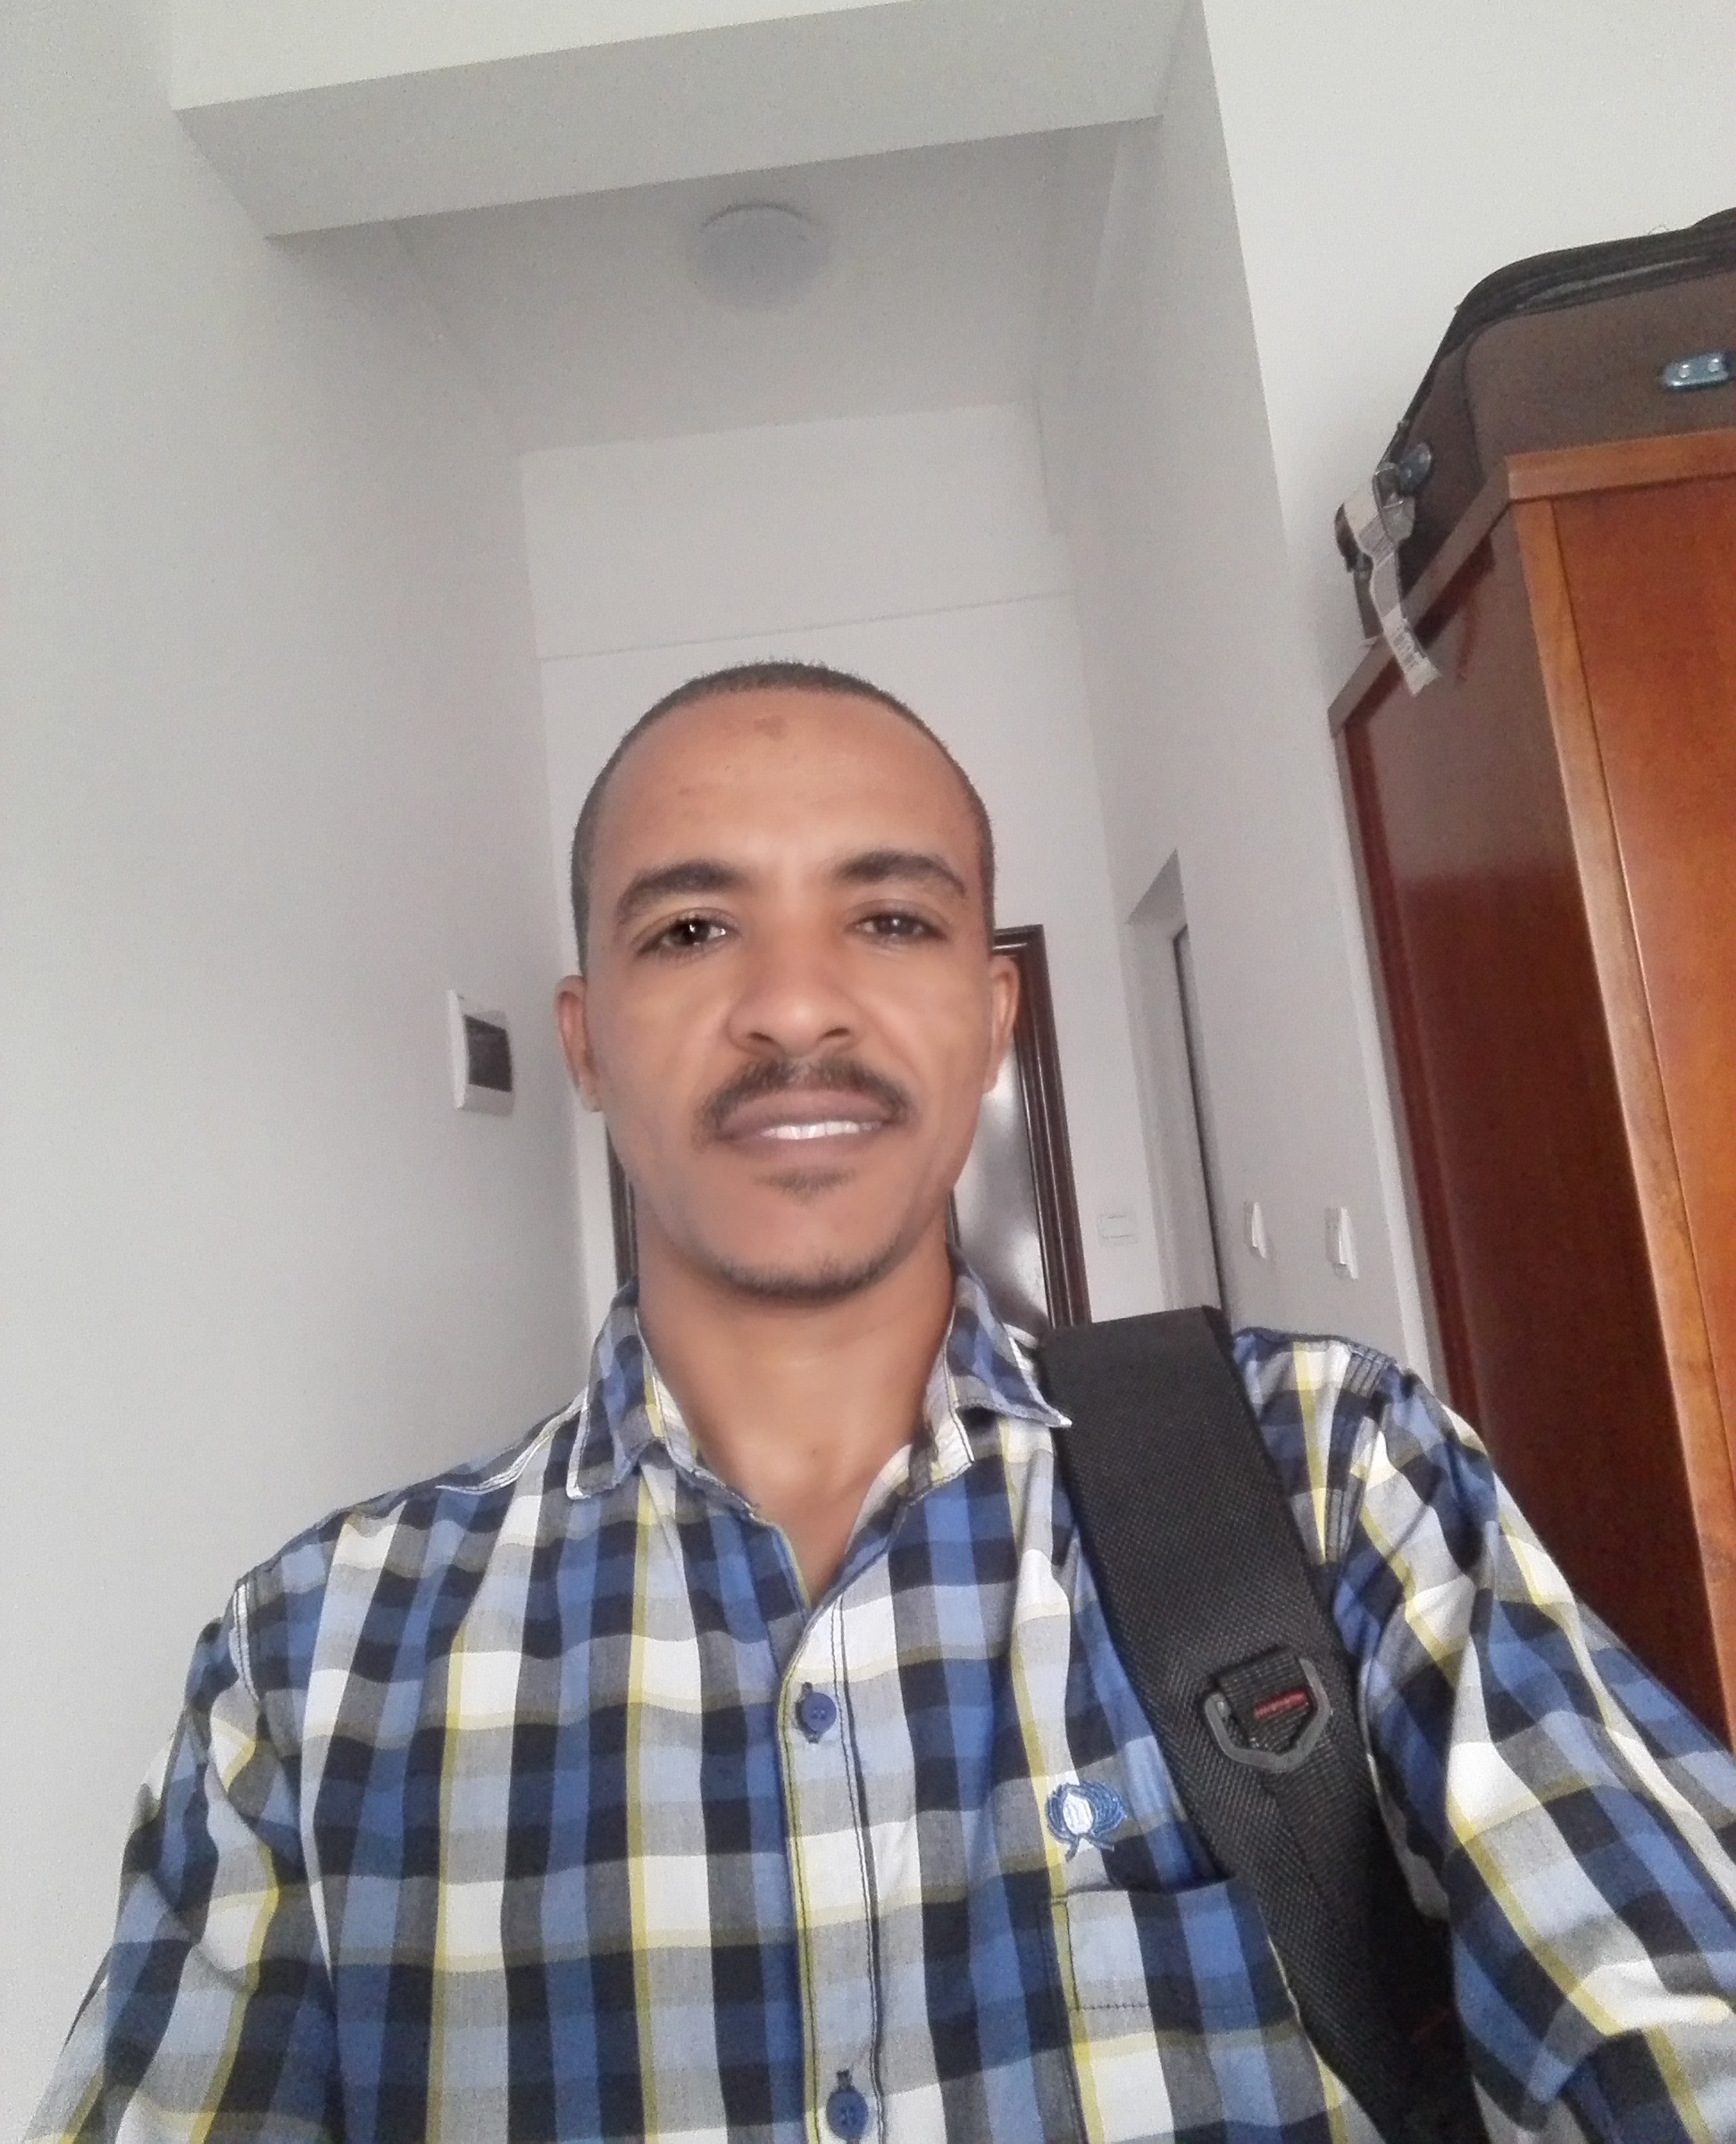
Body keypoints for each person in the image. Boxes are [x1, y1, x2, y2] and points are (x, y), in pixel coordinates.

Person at [29, 662, 1736, 2144]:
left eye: (892, 919)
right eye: (693, 929)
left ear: (991, 1021)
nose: (792, 1005)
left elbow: (1665, 2012)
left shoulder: (1329, 1474)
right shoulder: (312, 1662)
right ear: (588, 1040)